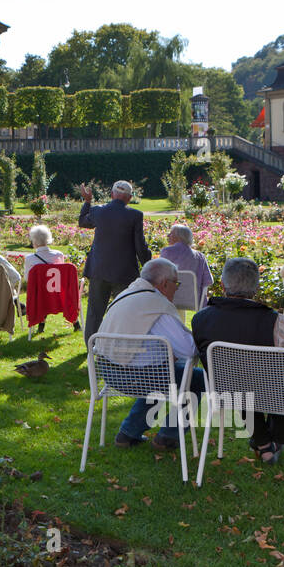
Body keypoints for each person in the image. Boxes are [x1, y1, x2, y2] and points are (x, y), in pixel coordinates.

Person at [191, 257, 284, 465]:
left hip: (227, 391)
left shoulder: (201, 319)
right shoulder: (273, 320)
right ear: (256, 287)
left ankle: (264, 445)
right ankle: (276, 439)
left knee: (243, 382)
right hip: (272, 393)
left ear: (223, 284)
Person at [97, 258, 205, 450]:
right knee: (197, 378)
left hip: (106, 371)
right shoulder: (156, 304)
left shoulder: (127, 293)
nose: (177, 289)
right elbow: (188, 350)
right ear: (164, 283)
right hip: (135, 378)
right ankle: (168, 436)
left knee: (164, 370)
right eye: (176, 284)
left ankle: (128, 434)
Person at [78, 180, 152, 346]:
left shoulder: (98, 211)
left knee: (95, 312)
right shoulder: (135, 215)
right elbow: (140, 246)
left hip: (99, 269)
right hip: (124, 272)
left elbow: (83, 222)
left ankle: (91, 348)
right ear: (129, 198)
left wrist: (88, 202)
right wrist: (149, 266)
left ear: (112, 195)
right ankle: (120, 347)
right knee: (124, 311)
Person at [23, 224, 78, 333]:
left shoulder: (30, 259)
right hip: (59, 296)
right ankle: (76, 324)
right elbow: (63, 277)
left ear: (34, 241)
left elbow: (27, 279)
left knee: (42, 293)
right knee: (49, 294)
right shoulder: (58, 254)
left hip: (41, 297)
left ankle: (41, 324)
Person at [159, 224, 213, 310]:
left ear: (179, 237)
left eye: (171, 234)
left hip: (170, 297)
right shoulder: (200, 256)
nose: (168, 235)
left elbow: (159, 276)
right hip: (193, 299)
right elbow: (208, 281)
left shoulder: (167, 252)